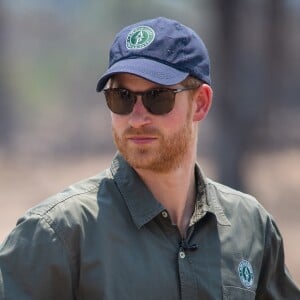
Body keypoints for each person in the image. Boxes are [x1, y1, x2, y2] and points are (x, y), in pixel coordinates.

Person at [0, 17, 299, 300]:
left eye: (158, 96)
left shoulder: (251, 226)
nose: (137, 118)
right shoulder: (58, 234)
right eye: (122, 97)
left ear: (201, 104)